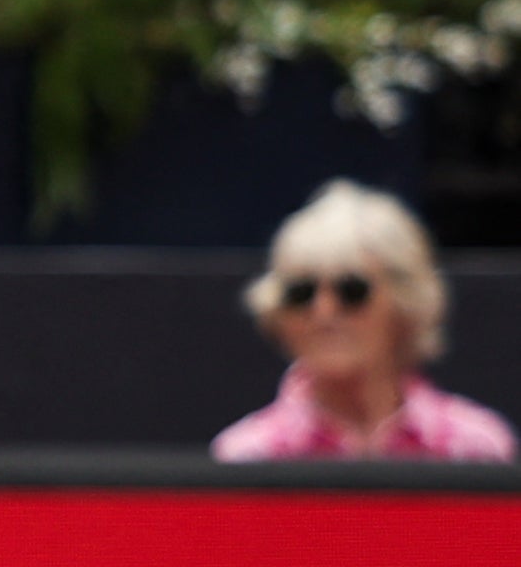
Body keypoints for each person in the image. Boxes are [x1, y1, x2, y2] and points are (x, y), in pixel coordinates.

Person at [214, 179, 515, 457]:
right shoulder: (248, 457)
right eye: (302, 293)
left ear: (405, 302)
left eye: (352, 291)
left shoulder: (476, 450)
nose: (324, 312)